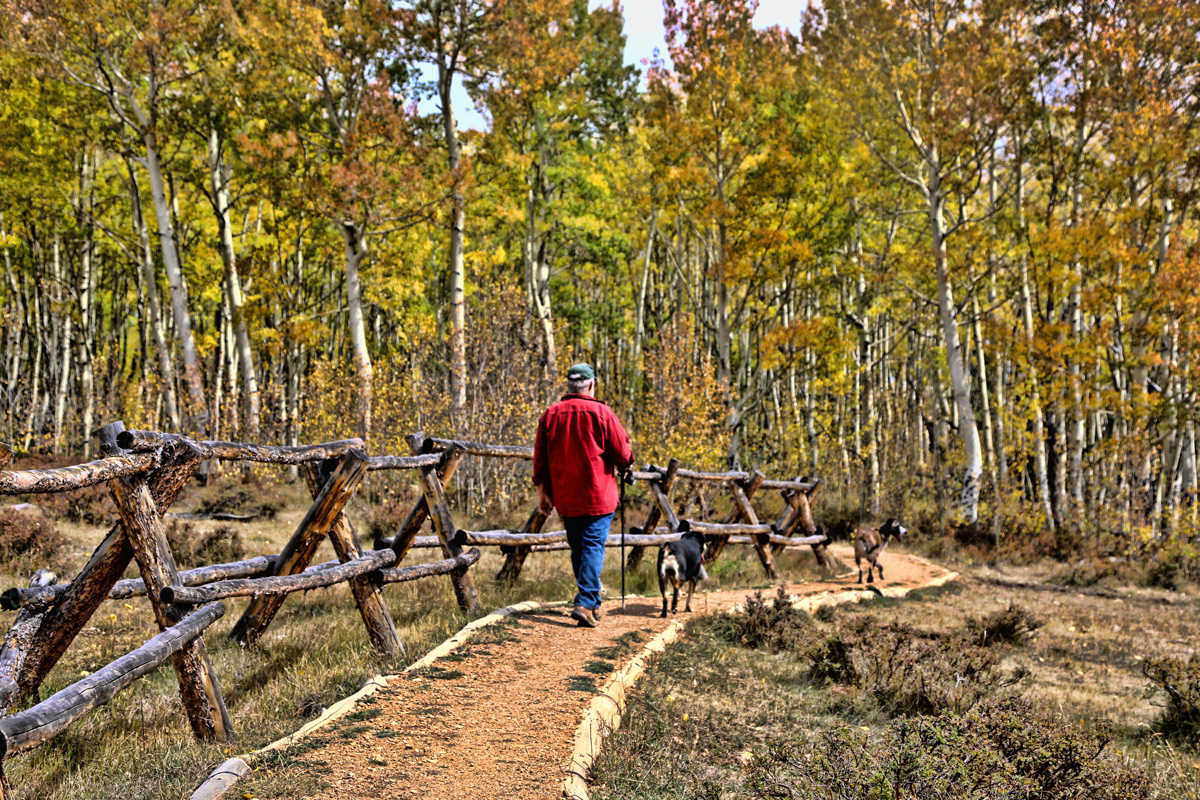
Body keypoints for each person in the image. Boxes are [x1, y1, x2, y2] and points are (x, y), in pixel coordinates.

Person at [532, 363, 633, 628]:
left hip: (566, 495)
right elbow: (622, 452)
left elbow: (540, 459)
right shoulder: (602, 412)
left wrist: (543, 494)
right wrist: (627, 463)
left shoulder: (551, 414)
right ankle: (586, 601)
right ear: (591, 385)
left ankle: (591, 603)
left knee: (579, 549)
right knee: (592, 547)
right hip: (598, 494)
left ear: (569, 385)